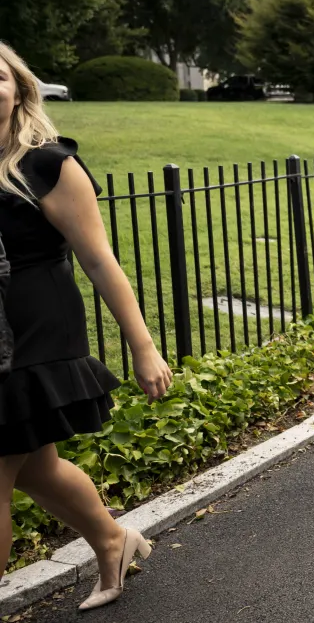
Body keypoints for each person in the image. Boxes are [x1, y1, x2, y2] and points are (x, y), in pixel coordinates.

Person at [0, 42, 173, 611]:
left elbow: (99, 261)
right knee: (38, 469)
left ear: (19, 89)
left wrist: (142, 348)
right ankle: (112, 540)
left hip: (33, 335)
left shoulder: (46, 163)